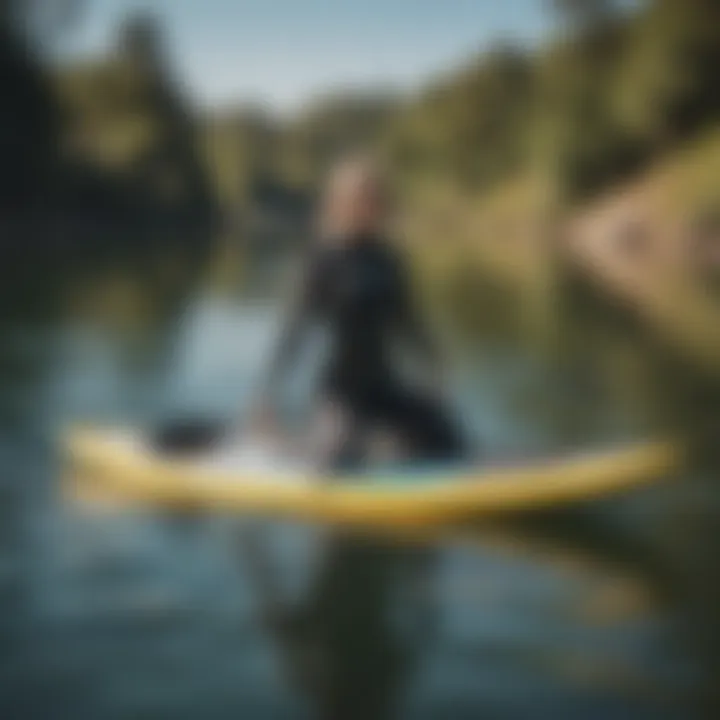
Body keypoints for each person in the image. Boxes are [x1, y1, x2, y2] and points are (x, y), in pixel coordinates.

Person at [254, 154, 466, 470]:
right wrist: (268, 394)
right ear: (338, 203)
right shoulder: (321, 261)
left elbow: (409, 321)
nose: (369, 205)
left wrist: (437, 369)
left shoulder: (388, 261)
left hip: (382, 388)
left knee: (446, 435)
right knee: (336, 461)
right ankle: (279, 443)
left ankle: (393, 451)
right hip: (340, 395)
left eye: (375, 197)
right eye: (361, 197)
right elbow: (294, 330)